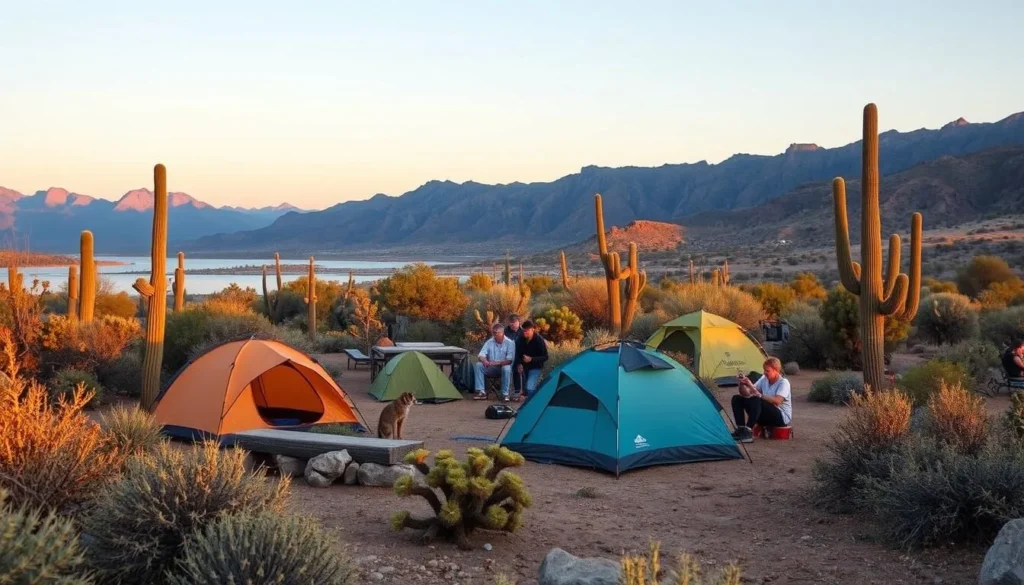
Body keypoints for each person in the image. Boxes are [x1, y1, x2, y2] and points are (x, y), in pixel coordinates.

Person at [731, 357, 792, 443]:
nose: (765, 373)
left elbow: (777, 401)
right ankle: (741, 429)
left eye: (767, 371)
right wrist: (742, 384)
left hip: (780, 417)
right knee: (737, 399)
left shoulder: (783, 382)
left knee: (757, 399)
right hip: (764, 414)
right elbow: (747, 394)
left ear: (776, 370)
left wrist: (757, 393)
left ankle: (748, 431)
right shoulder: (764, 379)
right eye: (764, 370)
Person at [473, 323, 516, 401]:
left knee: (506, 368)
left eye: (497, 333)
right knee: (479, 365)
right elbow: (481, 355)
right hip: (491, 368)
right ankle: (481, 392)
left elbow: (509, 360)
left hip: (503, 369)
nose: (495, 335)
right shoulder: (489, 342)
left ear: (502, 333)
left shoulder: (510, 343)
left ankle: (505, 394)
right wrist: (484, 360)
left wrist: (495, 363)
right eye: (494, 333)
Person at [514, 320, 548, 400]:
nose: (525, 333)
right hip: (524, 367)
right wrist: (519, 364)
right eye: (523, 331)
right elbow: (518, 353)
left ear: (532, 329)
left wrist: (531, 359)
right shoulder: (521, 338)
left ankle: (533, 404)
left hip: (535, 367)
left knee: (530, 388)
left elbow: (545, 357)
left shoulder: (539, 340)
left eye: (527, 331)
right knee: (526, 389)